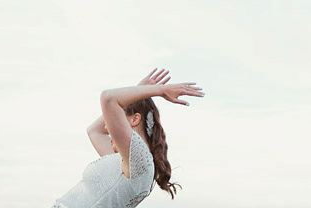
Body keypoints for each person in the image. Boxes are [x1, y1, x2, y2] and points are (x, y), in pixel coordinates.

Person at [52, 68, 205, 208]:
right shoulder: (128, 161)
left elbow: (108, 98)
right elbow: (95, 131)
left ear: (134, 119)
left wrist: (159, 90)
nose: (108, 126)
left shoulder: (139, 160)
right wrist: (140, 90)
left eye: (114, 118)